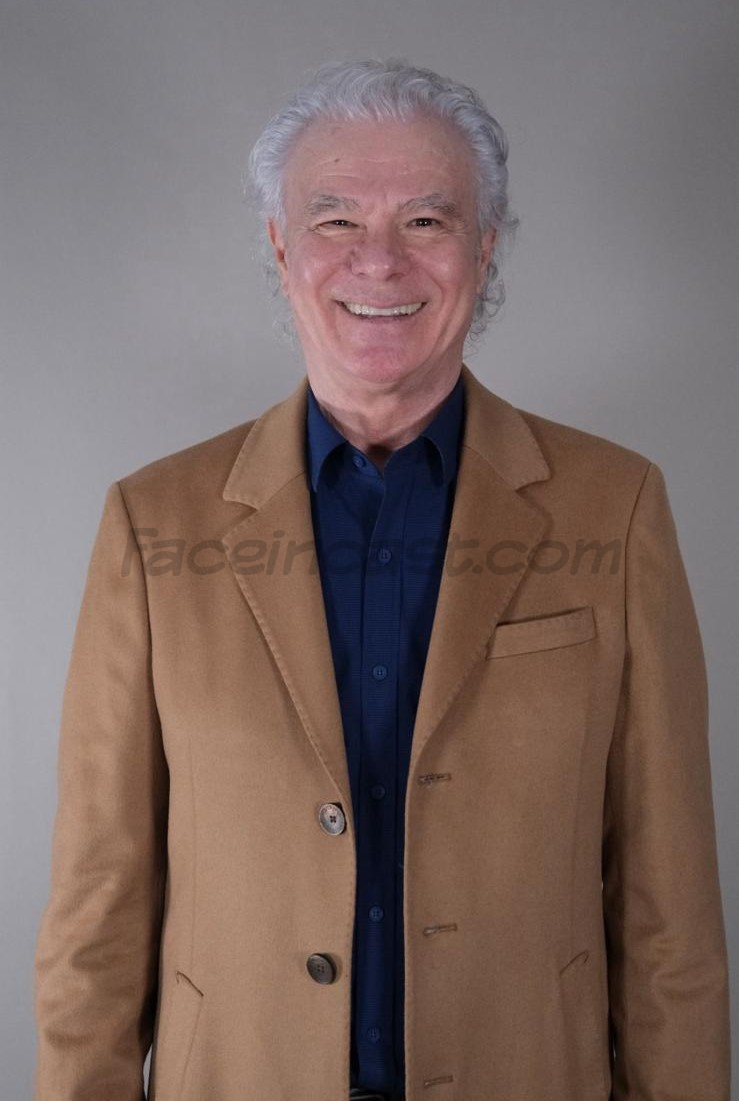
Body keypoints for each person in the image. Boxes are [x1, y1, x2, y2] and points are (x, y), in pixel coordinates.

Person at [32, 59, 730, 1101]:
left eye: (427, 220)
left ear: (484, 247)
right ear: (281, 246)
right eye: (335, 221)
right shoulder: (152, 521)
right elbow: (98, 902)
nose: (380, 260)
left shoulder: (615, 508)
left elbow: (668, 905)